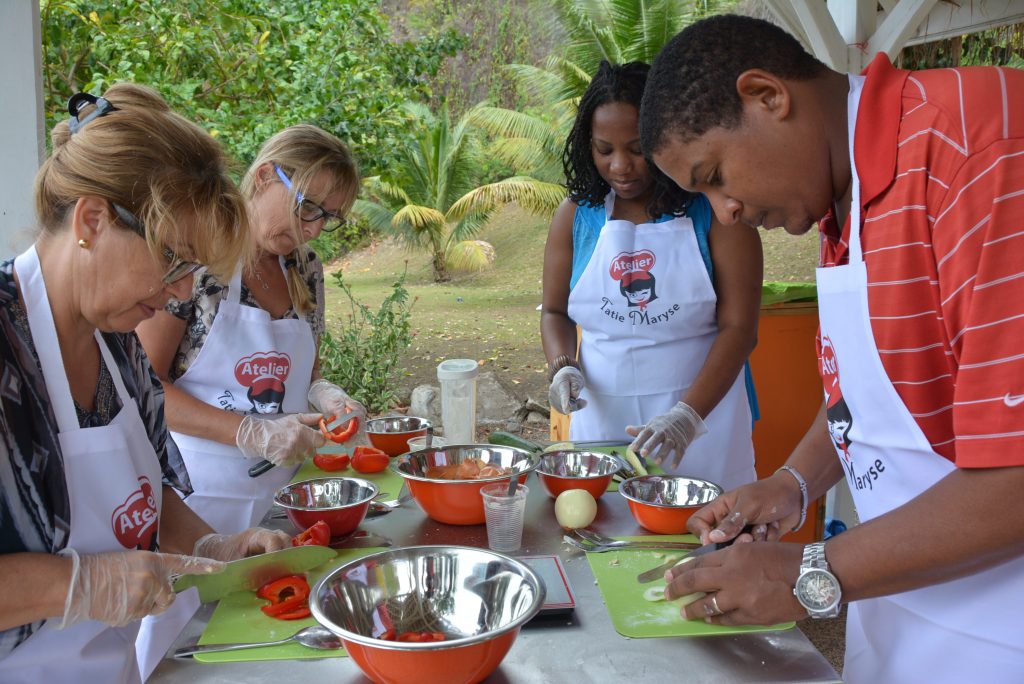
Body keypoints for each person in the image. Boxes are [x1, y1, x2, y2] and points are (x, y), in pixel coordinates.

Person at [639, 14, 1024, 683]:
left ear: (768, 96)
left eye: (716, 175)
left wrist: (810, 571)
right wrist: (792, 484)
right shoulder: (840, 196)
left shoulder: (978, 145)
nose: (724, 210)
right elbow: (865, 395)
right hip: (900, 613)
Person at [0, 85, 292, 684]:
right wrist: (76, 584)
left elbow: (142, 494)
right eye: (174, 260)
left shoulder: (120, 347)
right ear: (92, 220)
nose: (181, 293)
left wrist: (217, 548)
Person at [541, 60, 762, 489]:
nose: (620, 166)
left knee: (707, 545)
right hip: (602, 423)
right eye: (604, 150)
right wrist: (562, 367)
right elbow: (554, 312)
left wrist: (687, 416)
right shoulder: (575, 217)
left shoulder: (717, 212)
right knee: (607, 543)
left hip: (703, 426)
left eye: (638, 148)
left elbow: (740, 328)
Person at [136, 124, 364, 535]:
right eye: (307, 206)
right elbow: (145, 387)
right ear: (264, 176)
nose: (312, 229)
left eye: (328, 217)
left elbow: (303, 373)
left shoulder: (305, 269)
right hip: (197, 498)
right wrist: (249, 432)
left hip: (288, 497)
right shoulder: (197, 257)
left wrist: (325, 395)